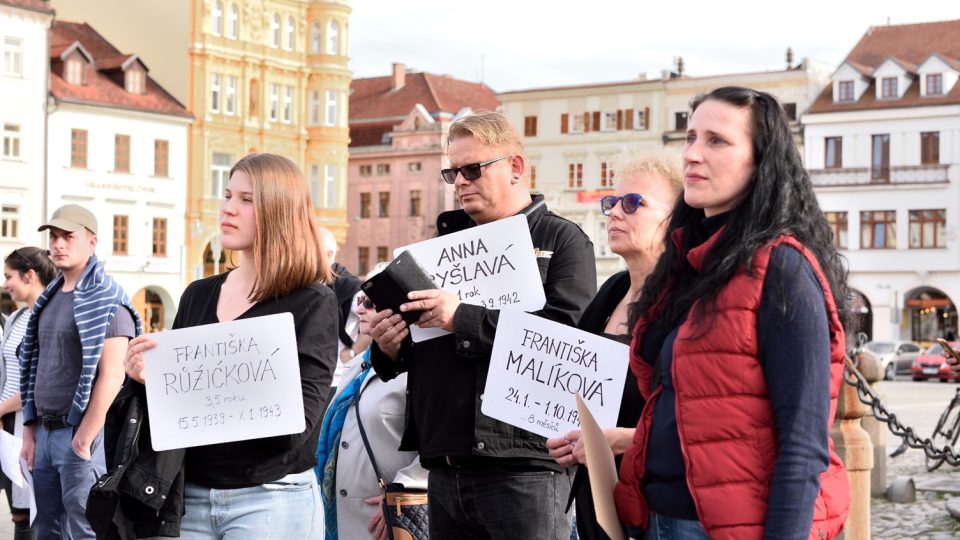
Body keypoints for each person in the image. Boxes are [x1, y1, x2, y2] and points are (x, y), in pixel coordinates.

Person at [614, 87, 851, 540]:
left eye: (716, 141)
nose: (693, 155)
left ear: (761, 161)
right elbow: (695, 409)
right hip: (655, 519)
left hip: (726, 528)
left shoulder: (782, 269)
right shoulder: (687, 262)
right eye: (689, 137)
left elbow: (803, 443)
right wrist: (625, 441)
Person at [366, 109, 597, 539]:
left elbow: (566, 341)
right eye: (452, 173)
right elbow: (421, 349)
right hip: (445, 463)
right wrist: (390, 347)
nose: (461, 182)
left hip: (525, 465)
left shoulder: (561, 242)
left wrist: (462, 317)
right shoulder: (438, 249)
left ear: (515, 167)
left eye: (472, 168)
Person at [103, 153, 337, 539]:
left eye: (246, 200)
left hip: (271, 498)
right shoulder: (198, 294)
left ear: (279, 210)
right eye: (227, 195)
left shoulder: (311, 301)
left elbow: (299, 425)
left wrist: (207, 386)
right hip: (188, 497)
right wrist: (147, 379)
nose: (228, 209)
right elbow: (173, 419)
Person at [546, 148, 683, 540]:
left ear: (675, 219)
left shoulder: (687, 300)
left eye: (633, 203)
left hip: (660, 508)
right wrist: (570, 438)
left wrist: (625, 439)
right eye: (611, 202)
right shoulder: (611, 291)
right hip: (599, 501)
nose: (614, 212)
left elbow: (705, 422)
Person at [18, 204, 141, 540]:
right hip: (44, 432)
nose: (58, 244)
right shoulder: (48, 298)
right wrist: (30, 434)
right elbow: (35, 368)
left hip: (80, 435)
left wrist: (84, 439)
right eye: (54, 236)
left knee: (86, 529)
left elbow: (113, 375)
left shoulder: (108, 300)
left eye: (68, 236)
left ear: (92, 242)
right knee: (46, 528)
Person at [317, 262, 427, 540]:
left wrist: (407, 490)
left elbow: (440, 443)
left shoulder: (423, 369)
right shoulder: (356, 367)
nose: (359, 309)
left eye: (370, 301)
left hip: (390, 522)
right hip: (341, 521)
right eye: (359, 300)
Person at [2, 247, 58, 540]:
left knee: (38, 510)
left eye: (9, 276)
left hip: (34, 423)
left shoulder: (50, 316)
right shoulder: (15, 319)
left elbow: (39, 381)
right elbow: (7, 373)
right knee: (18, 511)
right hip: (10, 423)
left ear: (30, 276)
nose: (4, 283)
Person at [318, 227, 369, 395]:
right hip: (307, 382)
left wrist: (354, 351)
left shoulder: (348, 287)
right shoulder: (300, 285)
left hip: (337, 382)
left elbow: (375, 319)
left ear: (328, 254)